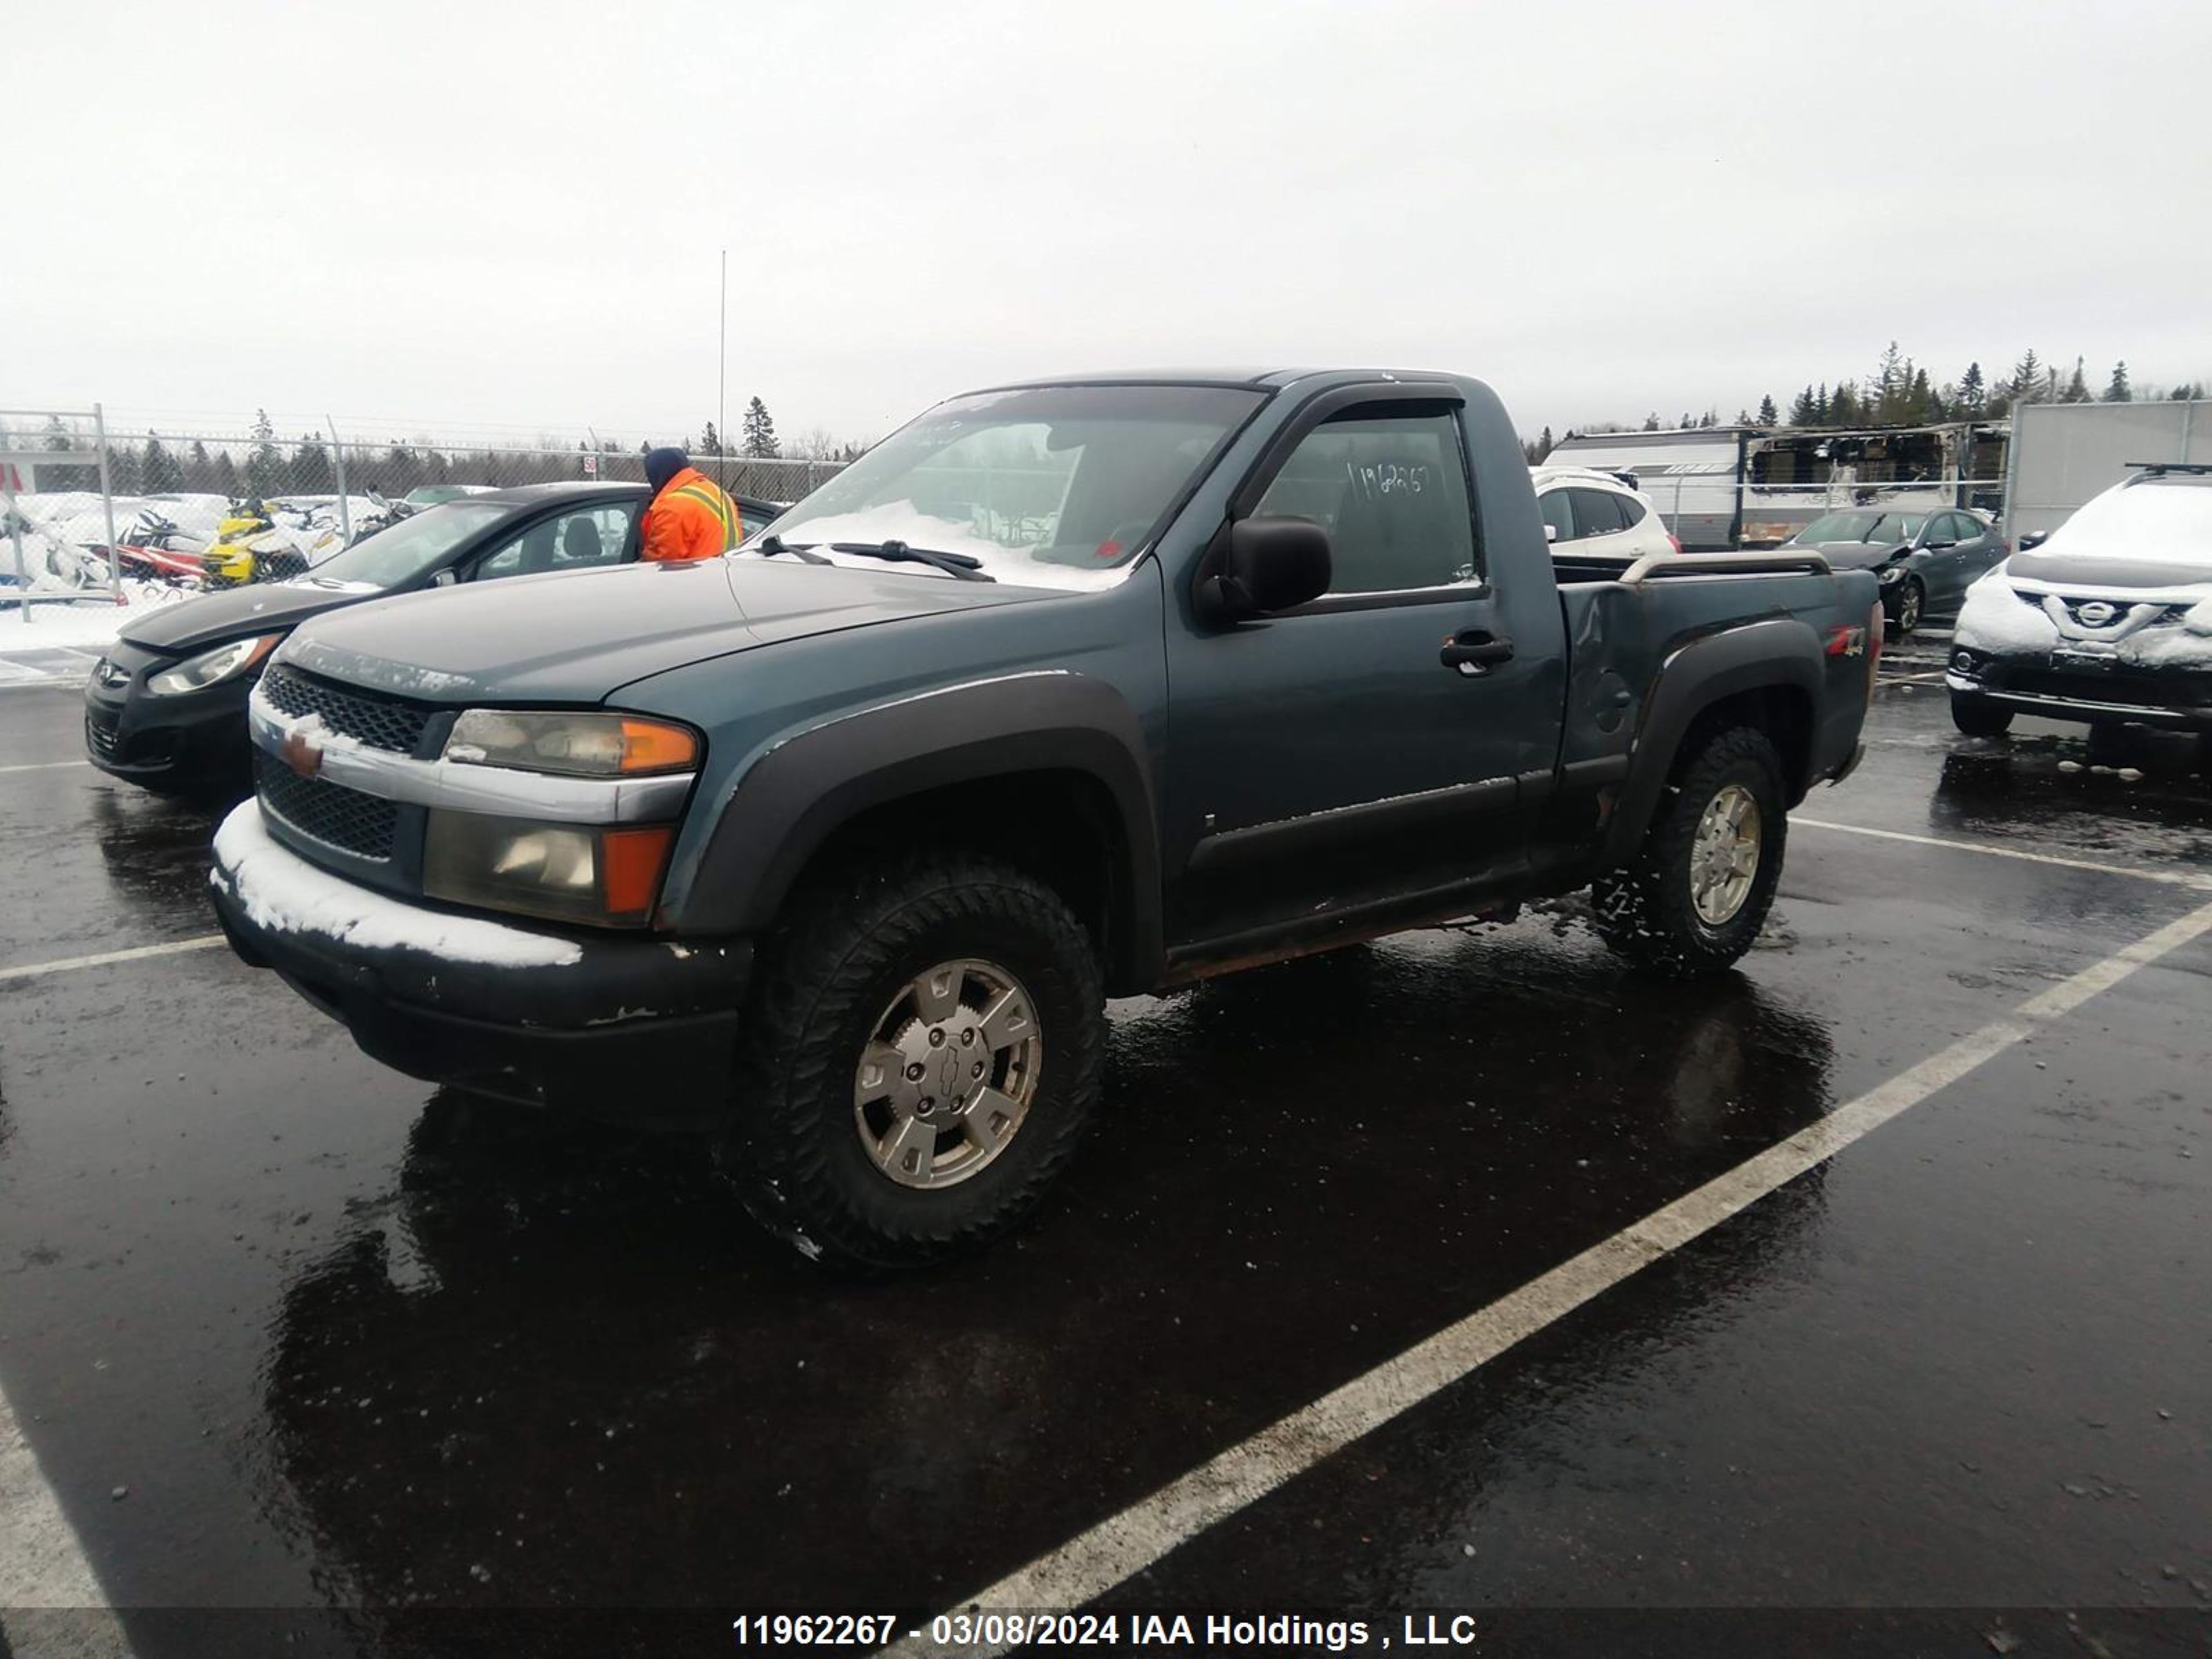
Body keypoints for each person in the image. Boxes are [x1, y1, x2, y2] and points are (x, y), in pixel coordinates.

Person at [639, 447, 742, 563]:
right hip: (728, 571)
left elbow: (660, 563)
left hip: (694, 577)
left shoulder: (673, 505)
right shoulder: (716, 492)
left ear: (657, 474)